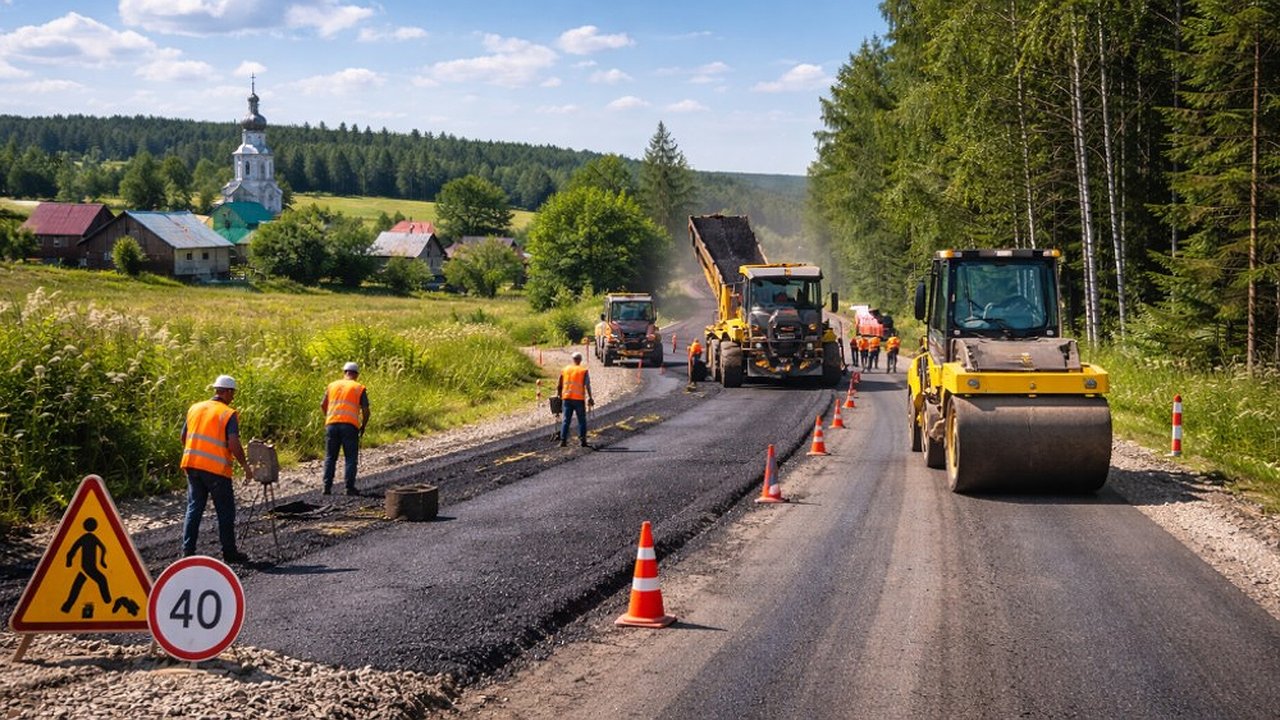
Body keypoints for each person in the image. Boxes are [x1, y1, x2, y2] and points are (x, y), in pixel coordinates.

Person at [181, 374, 254, 564]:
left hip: (192, 465)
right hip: (215, 470)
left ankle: (188, 552)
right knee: (225, 511)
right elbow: (233, 443)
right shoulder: (227, 413)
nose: (233, 396)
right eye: (233, 393)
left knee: (194, 508)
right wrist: (245, 466)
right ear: (228, 391)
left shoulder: (195, 408)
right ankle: (229, 553)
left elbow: (184, 436)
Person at [321, 361, 370, 496]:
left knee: (330, 456)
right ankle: (349, 487)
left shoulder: (332, 385)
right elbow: (366, 410)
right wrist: (363, 425)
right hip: (350, 426)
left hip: (331, 424)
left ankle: (326, 487)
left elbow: (323, 405)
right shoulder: (358, 387)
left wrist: (329, 417)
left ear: (344, 373)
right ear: (356, 374)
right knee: (350, 457)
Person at [557, 351, 594, 447]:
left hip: (567, 398)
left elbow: (559, 384)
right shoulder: (583, 371)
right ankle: (583, 441)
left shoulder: (565, 369)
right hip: (578, 399)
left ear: (573, 360)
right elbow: (587, 385)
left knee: (566, 420)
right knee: (581, 420)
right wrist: (590, 397)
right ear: (580, 360)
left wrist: (558, 395)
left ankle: (563, 441)